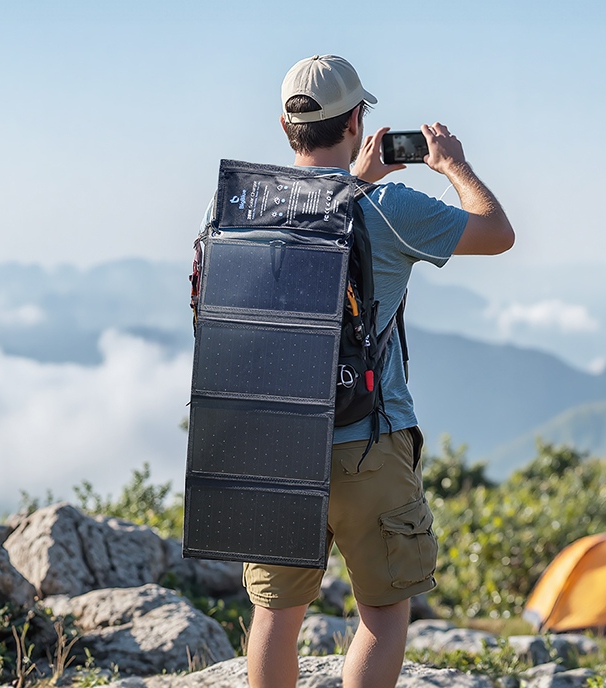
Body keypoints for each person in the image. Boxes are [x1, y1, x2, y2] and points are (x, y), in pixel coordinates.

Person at [243, 54, 514, 688]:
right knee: (385, 615)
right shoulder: (390, 206)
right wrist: (453, 165)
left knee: (275, 615)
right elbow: (497, 232)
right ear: (357, 121)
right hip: (368, 439)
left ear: (285, 127)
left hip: (276, 444)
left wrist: (352, 180)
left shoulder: (242, 203)